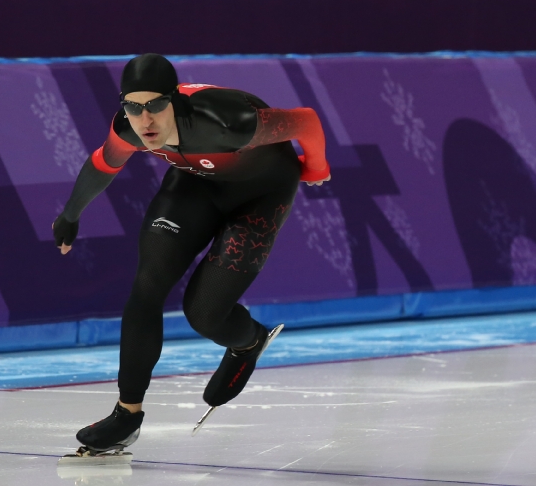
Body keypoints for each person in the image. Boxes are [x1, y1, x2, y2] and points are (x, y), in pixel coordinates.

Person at [52, 54, 330, 455]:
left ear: (174, 100)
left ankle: (249, 342)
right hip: (195, 184)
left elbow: (306, 121)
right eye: (133, 107)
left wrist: (315, 167)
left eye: (155, 107)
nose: (145, 121)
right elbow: (102, 165)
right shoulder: (128, 129)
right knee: (146, 287)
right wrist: (70, 216)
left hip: (260, 195)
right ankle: (126, 415)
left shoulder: (228, 122)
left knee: (203, 313)